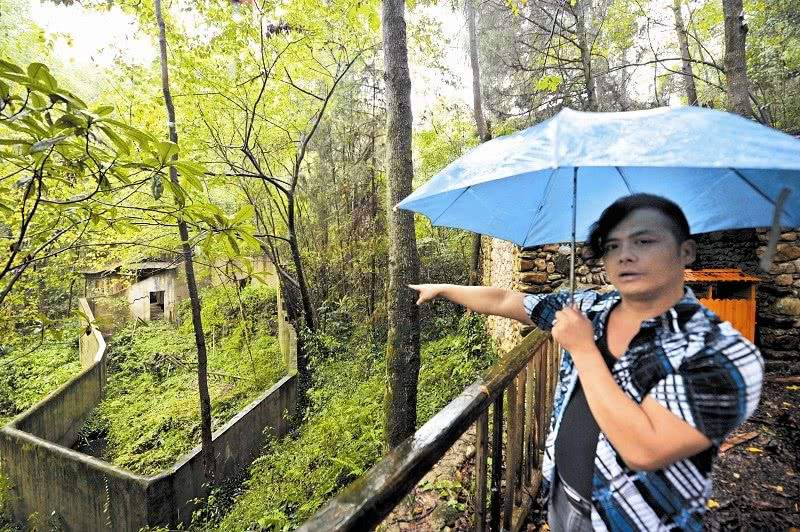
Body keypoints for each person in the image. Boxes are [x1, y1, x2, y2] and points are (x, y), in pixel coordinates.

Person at [409, 193, 763, 531]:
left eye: (643, 241)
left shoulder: (722, 353)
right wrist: (443, 288)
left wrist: (583, 348)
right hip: (562, 495)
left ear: (686, 251)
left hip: (634, 521)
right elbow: (506, 299)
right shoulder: (591, 309)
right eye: (612, 245)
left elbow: (644, 448)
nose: (624, 255)